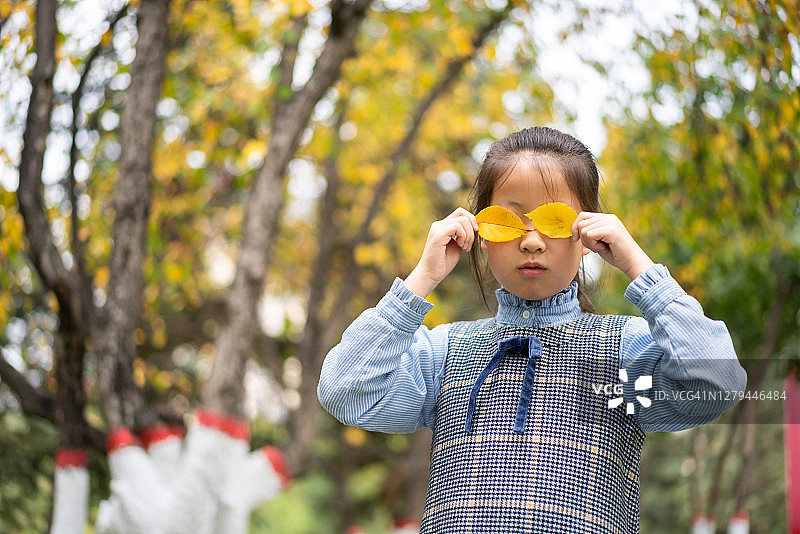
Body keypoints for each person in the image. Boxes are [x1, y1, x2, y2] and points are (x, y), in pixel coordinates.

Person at [317, 126, 747, 533]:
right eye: (510, 220)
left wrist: (640, 267)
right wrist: (420, 281)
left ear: (588, 233)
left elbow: (717, 382)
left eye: (556, 220)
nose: (532, 240)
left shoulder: (622, 356)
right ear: (482, 233)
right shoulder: (445, 355)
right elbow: (345, 389)